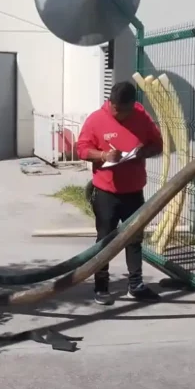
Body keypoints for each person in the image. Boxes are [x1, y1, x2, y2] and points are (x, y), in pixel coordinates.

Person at [76, 80, 164, 305]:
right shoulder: (96, 119)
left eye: (122, 110)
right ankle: (101, 287)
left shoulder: (142, 118)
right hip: (107, 192)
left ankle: (135, 285)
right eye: (113, 107)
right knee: (104, 239)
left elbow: (158, 146)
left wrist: (143, 152)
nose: (116, 113)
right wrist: (103, 156)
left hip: (134, 191)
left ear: (132, 105)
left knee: (134, 239)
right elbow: (82, 149)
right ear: (110, 102)